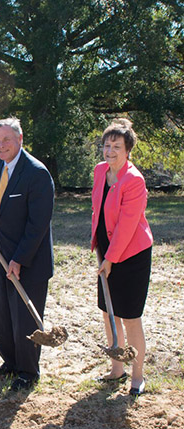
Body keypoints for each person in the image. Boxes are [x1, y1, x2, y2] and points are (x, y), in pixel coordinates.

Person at [0, 118, 54, 392]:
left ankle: (28, 372)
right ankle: (10, 363)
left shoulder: (36, 173)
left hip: (29, 261)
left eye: (6, 140)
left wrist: (20, 258)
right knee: (2, 316)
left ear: (20, 139)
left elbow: (38, 224)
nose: (1, 146)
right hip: (1, 256)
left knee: (24, 319)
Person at [90, 119, 153, 396]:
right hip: (107, 251)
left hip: (131, 254)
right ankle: (117, 368)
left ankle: (137, 377)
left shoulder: (134, 180)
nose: (110, 151)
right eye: (107, 145)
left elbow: (128, 226)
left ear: (128, 150)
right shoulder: (100, 171)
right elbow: (97, 210)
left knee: (130, 317)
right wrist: (100, 249)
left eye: (116, 146)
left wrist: (111, 259)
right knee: (108, 313)